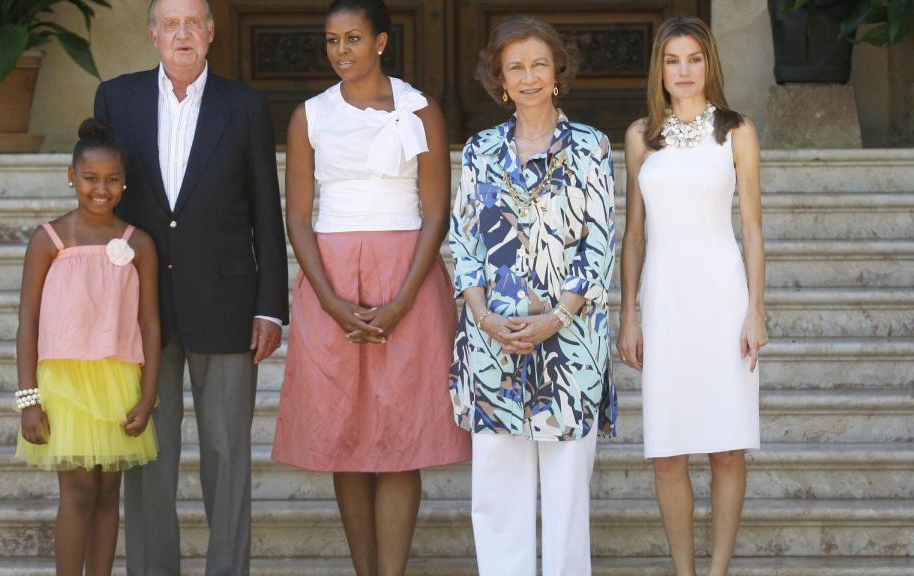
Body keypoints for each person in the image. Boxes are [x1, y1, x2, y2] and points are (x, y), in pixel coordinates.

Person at [270, 1, 471, 574]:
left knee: (402, 438)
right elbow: (297, 218)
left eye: (353, 38)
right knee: (346, 435)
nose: (340, 51)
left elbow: (436, 213)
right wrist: (330, 301)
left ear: (381, 42)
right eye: (332, 40)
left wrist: (404, 299)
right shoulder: (309, 116)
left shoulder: (420, 109)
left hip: (408, 275)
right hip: (332, 279)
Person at [93, 0, 290, 573]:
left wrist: (270, 308)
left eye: (193, 24)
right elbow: (101, 205)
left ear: (210, 33)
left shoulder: (245, 105)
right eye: (170, 24)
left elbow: (265, 210)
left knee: (228, 456)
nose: (182, 34)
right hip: (139, 306)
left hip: (227, 303)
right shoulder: (116, 98)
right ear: (152, 35)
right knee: (146, 456)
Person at [448, 15, 617, 576]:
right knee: (497, 497)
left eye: (539, 65)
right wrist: (482, 316)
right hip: (493, 341)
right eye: (515, 67)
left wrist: (557, 318)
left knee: (567, 497)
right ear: (498, 78)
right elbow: (465, 242)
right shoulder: (479, 150)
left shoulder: (591, 146)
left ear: (558, 72)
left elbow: (599, 245)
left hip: (570, 343)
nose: (528, 77)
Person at [618, 16, 768, 576]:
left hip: (723, 298)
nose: (683, 70)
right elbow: (634, 234)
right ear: (658, 68)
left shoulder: (737, 130)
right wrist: (628, 314)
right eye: (672, 60)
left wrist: (756, 310)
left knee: (727, 448)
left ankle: (718, 571)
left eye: (694, 59)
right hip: (665, 301)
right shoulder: (640, 136)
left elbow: (752, 227)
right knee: (667, 451)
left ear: (710, 65)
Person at [15, 118, 160, 576]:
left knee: (107, 494)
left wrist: (149, 395)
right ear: (71, 176)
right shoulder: (49, 240)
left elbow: (150, 324)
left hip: (117, 380)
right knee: (77, 493)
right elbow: (27, 323)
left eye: (112, 179)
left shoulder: (138, 243)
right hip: (65, 384)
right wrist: (28, 399)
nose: (101, 189)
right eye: (90, 178)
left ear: (124, 181)